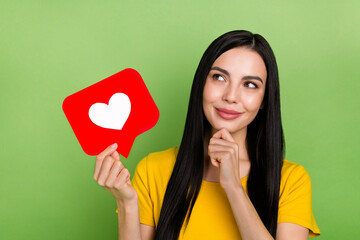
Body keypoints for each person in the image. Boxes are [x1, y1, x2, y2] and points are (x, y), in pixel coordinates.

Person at [93, 30, 321, 240]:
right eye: (219, 77)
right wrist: (127, 204)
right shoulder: (153, 170)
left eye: (250, 84)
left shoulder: (291, 181)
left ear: (264, 101)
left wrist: (233, 186)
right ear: (201, 83)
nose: (231, 96)